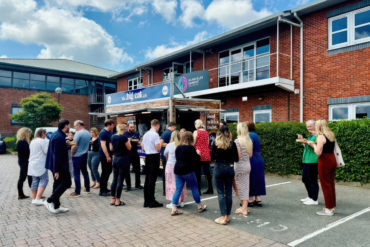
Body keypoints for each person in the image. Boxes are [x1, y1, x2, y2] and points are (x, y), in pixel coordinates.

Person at [171, 131, 207, 216]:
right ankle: (199, 206)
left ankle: (174, 208)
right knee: (194, 188)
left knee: (178, 189)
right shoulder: (191, 148)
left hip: (177, 170)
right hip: (188, 171)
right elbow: (196, 161)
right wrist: (198, 154)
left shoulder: (178, 147)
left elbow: (178, 158)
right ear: (191, 139)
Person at [307, 119, 337, 216]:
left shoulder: (320, 137)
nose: (315, 127)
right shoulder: (330, 134)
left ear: (319, 126)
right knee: (331, 184)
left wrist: (313, 145)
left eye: (316, 125)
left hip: (324, 161)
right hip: (332, 159)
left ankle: (328, 209)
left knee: (325, 185)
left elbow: (318, 153)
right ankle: (331, 206)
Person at [211, 126, 239, 225]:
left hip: (218, 168)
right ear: (228, 133)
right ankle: (227, 216)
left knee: (220, 193)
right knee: (228, 192)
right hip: (229, 168)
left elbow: (212, 157)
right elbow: (236, 159)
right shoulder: (232, 144)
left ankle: (223, 216)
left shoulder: (215, 143)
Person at [44, 120, 72, 214]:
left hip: (56, 164)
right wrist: (56, 170)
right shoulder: (59, 137)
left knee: (57, 184)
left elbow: (58, 150)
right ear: (65, 126)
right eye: (69, 125)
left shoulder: (57, 135)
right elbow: (56, 155)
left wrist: (67, 145)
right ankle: (49, 201)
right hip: (60, 165)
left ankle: (56, 206)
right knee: (67, 182)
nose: (69, 127)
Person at [141, 119, 163, 208]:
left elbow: (142, 147)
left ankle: (146, 201)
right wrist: (161, 143)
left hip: (148, 156)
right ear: (157, 125)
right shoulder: (155, 135)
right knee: (152, 180)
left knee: (147, 179)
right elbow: (158, 149)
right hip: (154, 157)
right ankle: (152, 201)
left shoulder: (146, 134)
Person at [233, 122, 253, 216]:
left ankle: (244, 208)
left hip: (239, 166)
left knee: (239, 187)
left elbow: (238, 156)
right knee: (245, 186)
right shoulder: (249, 140)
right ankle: (244, 207)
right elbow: (250, 155)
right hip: (247, 165)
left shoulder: (237, 141)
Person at [298, 120, 319, 205]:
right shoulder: (311, 136)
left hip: (313, 161)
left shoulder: (317, 135)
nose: (308, 128)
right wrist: (302, 140)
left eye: (310, 126)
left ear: (315, 126)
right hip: (306, 160)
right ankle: (310, 196)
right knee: (305, 179)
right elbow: (307, 146)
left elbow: (316, 147)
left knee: (312, 179)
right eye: (307, 126)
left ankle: (314, 199)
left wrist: (307, 142)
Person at [110, 124, 132, 206]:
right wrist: (129, 141)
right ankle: (118, 200)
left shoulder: (112, 137)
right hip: (123, 159)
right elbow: (129, 148)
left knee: (114, 179)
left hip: (115, 159)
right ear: (124, 129)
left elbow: (111, 149)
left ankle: (112, 199)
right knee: (120, 180)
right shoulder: (124, 137)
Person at [164, 130, 186, 209]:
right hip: (180, 165)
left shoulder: (169, 145)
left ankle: (173, 202)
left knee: (171, 183)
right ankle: (181, 201)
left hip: (170, 165)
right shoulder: (182, 145)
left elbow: (165, 154)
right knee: (181, 183)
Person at [70, 120, 91, 197]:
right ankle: (87, 188)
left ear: (79, 125)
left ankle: (77, 192)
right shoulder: (88, 133)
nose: (74, 127)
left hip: (77, 155)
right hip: (85, 154)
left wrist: (72, 154)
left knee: (76, 173)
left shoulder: (78, 133)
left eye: (75, 126)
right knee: (85, 171)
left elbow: (74, 146)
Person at [247, 122, 266, 207]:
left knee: (251, 178)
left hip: (252, 158)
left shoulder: (249, 135)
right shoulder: (255, 135)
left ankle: (250, 199)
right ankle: (258, 199)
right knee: (258, 178)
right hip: (259, 157)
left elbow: (249, 147)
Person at [28, 128, 49, 205]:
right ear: (42, 133)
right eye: (45, 134)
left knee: (35, 180)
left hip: (32, 163)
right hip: (40, 163)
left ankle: (34, 199)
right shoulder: (42, 141)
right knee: (44, 179)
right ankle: (38, 198)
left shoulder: (33, 141)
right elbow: (46, 151)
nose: (45, 135)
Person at [193, 119, 213, 194]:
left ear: (196, 124)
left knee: (197, 172)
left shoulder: (196, 132)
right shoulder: (206, 132)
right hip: (206, 153)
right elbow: (207, 143)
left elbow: (193, 143)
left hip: (198, 153)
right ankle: (210, 188)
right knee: (207, 172)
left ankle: (198, 190)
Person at [124, 122, 143, 190]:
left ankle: (137, 184)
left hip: (135, 153)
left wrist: (139, 142)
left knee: (137, 170)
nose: (132, 128)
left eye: (133, 127)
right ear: (127, 127)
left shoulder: (136, 133)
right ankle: (128, 186)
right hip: (127, 154)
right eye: (131, 127)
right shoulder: (125, 134)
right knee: (127, 170)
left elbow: (138, 141)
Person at [99, 119, 115, 197]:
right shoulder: (103, 133)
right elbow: (103, 145)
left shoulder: (110, 132)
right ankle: (102, 190)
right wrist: (107, 156)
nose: (113, 126)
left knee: (108, 171)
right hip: (104, 155)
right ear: (109, 125)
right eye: (113, 124)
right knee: (105, 172)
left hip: (109, 155)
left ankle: (105, 188)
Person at [160, 122, 177, 195]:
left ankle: (166, 191)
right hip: (167, 157)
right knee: (168, 175)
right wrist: (167, 145)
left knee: (167, 174)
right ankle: (166, 191)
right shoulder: (168, 133)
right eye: (175, 127)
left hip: (166, 156)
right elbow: (160, 143)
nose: (175, 129)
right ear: (173, 127)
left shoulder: (165, 132)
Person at [16, 127, 33, 200]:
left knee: (29, 177)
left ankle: (32, 193)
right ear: (25, 133)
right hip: (24, 162)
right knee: (22, 178)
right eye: (29, 133)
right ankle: (20, 194)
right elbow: (27, 152)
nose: (30, 135)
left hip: (25, 162)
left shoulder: (23, 141)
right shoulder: (22, 142)